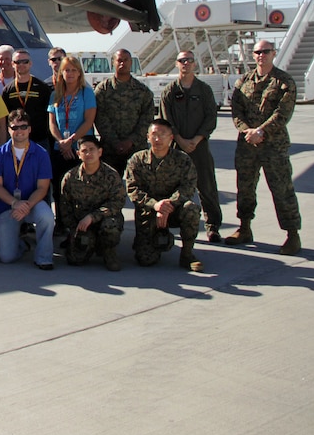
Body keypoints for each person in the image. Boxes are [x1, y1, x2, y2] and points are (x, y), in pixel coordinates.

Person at [227, 39, 302, 254]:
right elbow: (236, 111)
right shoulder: (244, 81)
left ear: (273, 53)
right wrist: (247, 131)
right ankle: (245, 227)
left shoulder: (284, 81)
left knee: (282, 189)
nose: (261, 55)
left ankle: (292, 234)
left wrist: (262, 131)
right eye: (258, 52)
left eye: (265, 51)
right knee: (245, 188)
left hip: (273, 145)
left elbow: (283, 113)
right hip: (247, 144)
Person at [160, 51, 223, 243]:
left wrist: (197, 139)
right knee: (170, 187)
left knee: (207, 186)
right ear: (177, 64)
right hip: (176, 147)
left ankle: (212, 226)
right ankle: (169, 225)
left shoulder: (203, 90)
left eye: (188, 60)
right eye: (181, 61)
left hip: (200, 146)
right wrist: (179, 139)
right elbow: (166, 119)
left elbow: (211, 117)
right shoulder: (170, 91)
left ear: (194, 64)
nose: (185, 63)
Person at [126, 119, 203, 271]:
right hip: (149, 211)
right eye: (154, 134)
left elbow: (188, 187)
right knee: (146, 259)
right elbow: (133, 189)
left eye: (163, 134)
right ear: (147, 137)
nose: (158, 139)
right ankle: (152, 238)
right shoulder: (137, 159)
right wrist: (155, 205)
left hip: (174, 209)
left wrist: (169, 205)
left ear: (171, 138)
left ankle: (187, 254)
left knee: (191, 209)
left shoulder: (182, 160)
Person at [0, 110, 55, 269]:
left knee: (47, 216)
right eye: (14, 127)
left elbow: (43, 188)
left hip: (33, 203)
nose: (19, 131)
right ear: (9, 129)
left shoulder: (41, 153)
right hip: (7, 206)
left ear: (30, 129)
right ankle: (22, 244)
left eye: (23, 127)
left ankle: (44, 257)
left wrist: (26, 206)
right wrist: (14, 203)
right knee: (6, 257)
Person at [60, 136, 125, 271]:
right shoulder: (70, 177)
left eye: (92, 150)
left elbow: (117, 202)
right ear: (78, 154)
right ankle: (90, 243)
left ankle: (109, 252)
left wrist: (93, 216)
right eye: (84, 151)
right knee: (75, 260)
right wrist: (74, 230)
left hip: (105, 219)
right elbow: (65, 207)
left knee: (110, 226)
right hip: (82, 225)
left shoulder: (111, 175)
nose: (88, 154)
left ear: (100, 152)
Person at [47, 54, 96, 232]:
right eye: (67, 70)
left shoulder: (86, 93)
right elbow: (52, 123)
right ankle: (60, 223)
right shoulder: (55, 94)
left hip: (81, 149)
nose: (70, 73)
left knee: (81, 189)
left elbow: (89, 121)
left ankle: (81, 225)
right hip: (60, 148)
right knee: (59, 188)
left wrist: (71, 141)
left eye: (74, 70)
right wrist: (62, 142)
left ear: (79, 73)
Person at [93, 49, 154, 176]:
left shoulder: (143, 91)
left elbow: (147, 119)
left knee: (139, 186)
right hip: (110, 149)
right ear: (113, 63)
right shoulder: (103, 90)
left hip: (136, 148)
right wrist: (116, 142)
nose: (122, 63)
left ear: (131, 62)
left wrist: (130, 141)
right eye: (119, 60)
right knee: (109, 187)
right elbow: (99, 118)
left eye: (126, 60)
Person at [2, 49, 53, 147]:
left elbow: (49, 115)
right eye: (18, 62)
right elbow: (5, 118)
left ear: (30, 63)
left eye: (25, 61)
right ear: (12, 64)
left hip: (40, 140)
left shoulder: (42, 87)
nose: (21, 64)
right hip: (16, 140)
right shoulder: (8, 90)